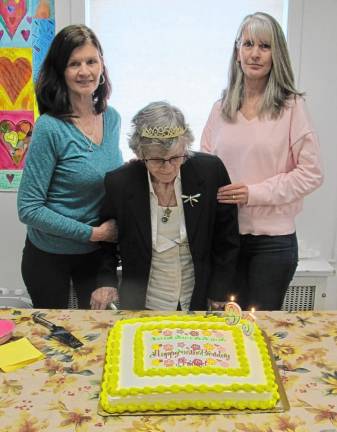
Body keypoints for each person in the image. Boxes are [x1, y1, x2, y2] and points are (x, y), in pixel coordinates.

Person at [201, 12, 323, 310]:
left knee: (259, 330)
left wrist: (253, 193)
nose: (255, 54)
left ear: (276, 54)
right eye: (248, 44)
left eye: (265, 46)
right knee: (223, 330)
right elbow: (203, 171)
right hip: (226, 240)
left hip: (273, 243)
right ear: (237, 51)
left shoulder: (292, 106)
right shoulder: (220, 109)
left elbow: (311, 173)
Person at [90, 101, 240, 310]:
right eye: (158, 160)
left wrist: (220, 289)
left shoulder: (210, 171)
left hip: (196, 295)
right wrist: (106, 281)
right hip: (144, 299)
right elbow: (107, 241)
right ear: (140, 155)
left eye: (176, 157)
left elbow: (227, 238)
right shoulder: (120, 182)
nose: (168, 167)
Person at [17, 25, 123, 309]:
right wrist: (93, 233)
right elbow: (28, 208)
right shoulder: (50, 128)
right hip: (49, 257)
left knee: (95, 339)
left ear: (102, 65)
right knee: (58, 342)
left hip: (95, 255)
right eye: (74, 64)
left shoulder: (112, 119)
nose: (85, 71)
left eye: (91, 61)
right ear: (60, 71)